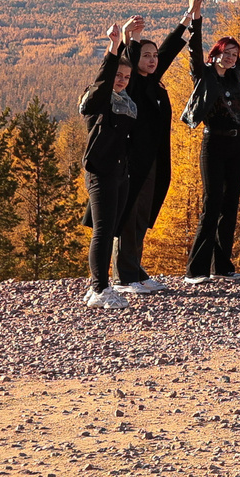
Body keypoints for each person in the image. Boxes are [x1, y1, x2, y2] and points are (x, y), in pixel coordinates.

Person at [178, 8, 240, 283]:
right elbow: (194, 47)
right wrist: (196, 16)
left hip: (239, 143)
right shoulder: (204, 74)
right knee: (212, 205)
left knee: (230, 205)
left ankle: (222, 266)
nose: (232, 58)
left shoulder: (236, 74)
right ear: (216, 53)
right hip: (213, 143)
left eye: (235, 54)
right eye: (227, 53)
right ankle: (196, 270)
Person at [111, 0, 191, 296]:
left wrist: (186, 20)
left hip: (153, 160)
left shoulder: (153, 83)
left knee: (142, 216)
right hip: (133, 162)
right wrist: (129, 40)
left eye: (154, 56)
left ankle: (135, 268)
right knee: (129, 215)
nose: (154, 59)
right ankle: (125, 275)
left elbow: (169, 52)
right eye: (147, 55)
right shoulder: (131, 84)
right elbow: (125, 62)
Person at [77, 31, 144, 308]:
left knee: (111, 228)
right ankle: (99, 289)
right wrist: (113, 48)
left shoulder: (127, 102)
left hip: (120, 172)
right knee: (102, 230)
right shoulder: (98, 100)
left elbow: (131, 71)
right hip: (100, 171)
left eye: (126, 77)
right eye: (118, 76)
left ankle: (98, 286)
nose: (122, 80)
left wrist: (134, 40)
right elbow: (104, 79)